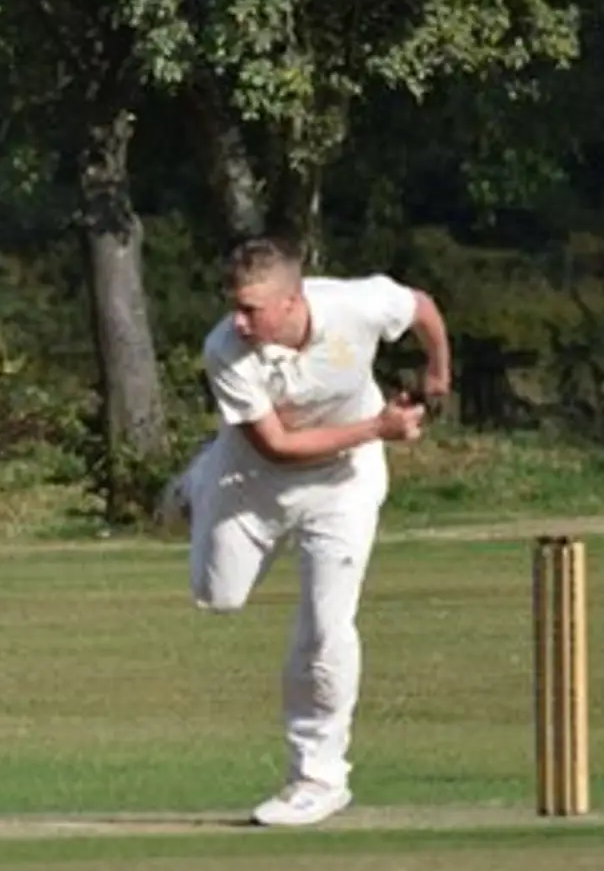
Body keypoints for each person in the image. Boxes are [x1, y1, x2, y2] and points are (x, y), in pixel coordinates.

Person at [169, 235, 450, 827]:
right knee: (217, 598)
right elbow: (279, 446)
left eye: (252, 309)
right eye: (234, 306)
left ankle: (318, 777)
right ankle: (197, 482)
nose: (239, 321)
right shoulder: (225, 349)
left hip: (345, 485)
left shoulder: (358, 304)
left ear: (293, 300)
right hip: (252, 480)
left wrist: (438, 374)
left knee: (326, 626)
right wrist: (379, 426)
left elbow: (421, 307)